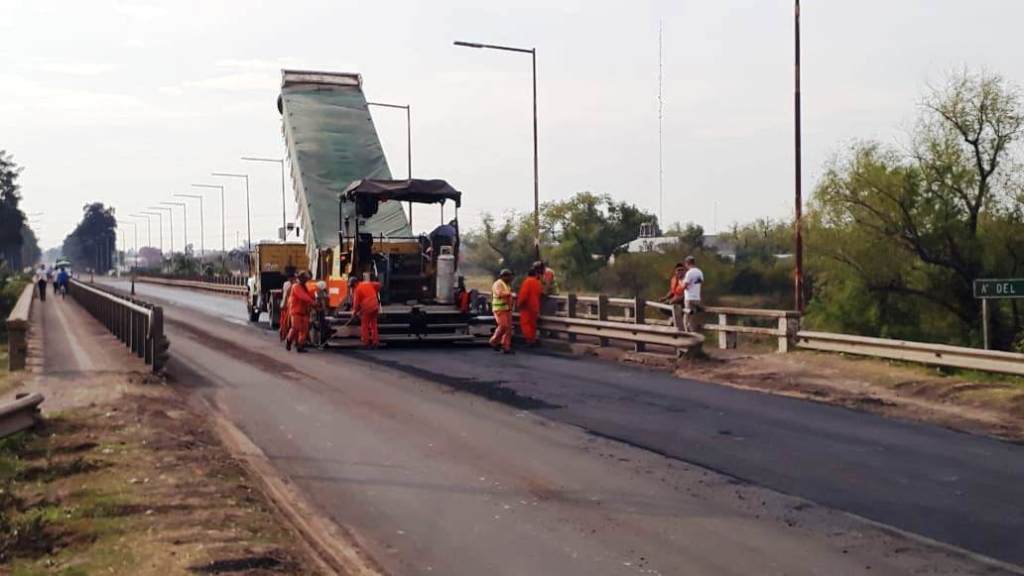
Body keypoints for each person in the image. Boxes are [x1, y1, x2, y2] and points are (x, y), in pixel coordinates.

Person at [286, 271, 315, 352]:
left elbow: (309, 295)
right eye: (305, 279)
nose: (306, 280)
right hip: (296, 311)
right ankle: (289, 340)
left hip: (304, 312)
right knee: (295, 328)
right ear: (301, 278)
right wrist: (312, 301)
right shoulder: (296, 286)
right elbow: (303, 296)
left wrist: (315, 299)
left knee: (304, 330)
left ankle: (300, 346)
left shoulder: (304, 287)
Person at [352, 272, 382, 348]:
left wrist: (354, 313)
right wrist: (375, 291)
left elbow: (356, 303)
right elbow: (379, 285)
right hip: (375, 306)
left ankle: (366, 342)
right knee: (373, 325)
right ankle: (375, 341)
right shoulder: (368, 283)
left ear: (355, 283)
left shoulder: (357, 290)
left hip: (367, 308)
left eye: (352, 286)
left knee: (364, 325)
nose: (352, 288)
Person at [517, 265, 543, 346]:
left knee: (525, 324)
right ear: (535, 274)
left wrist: (519, 304)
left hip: (526, 307)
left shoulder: (527, 282)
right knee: (533, 324)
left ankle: (529, 340)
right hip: (535, 306)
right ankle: (533, 339)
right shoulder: (538, 283)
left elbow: (523, 295)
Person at [489, 269, 515, 353]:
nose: (510, 278)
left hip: (507, 309)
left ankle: (505, 346)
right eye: (508, 276)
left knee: (508, 329)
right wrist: (509, 294)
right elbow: (499, 293)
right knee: (503, 326)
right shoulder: (498, 284)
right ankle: (494, 341)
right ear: (504, 276)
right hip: (499, 309)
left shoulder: (506, 285)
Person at [680, 255, 704, 332]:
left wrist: (680, 282)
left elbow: (684, 286)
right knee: (693, 318)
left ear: (687, 263)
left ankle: (687, 335)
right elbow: (700, 282)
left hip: (689, 298)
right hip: (697, 298)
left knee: (686, 319)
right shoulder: (699, 272)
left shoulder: (689, 273)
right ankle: (694, 333)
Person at [279, 268, 297, 342]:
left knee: (285, 322)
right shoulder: (291, 285)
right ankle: (287, 337)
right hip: (288, 306)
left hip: (286, 305)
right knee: (287, 323)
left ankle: (285, 336)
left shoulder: (286, 284)